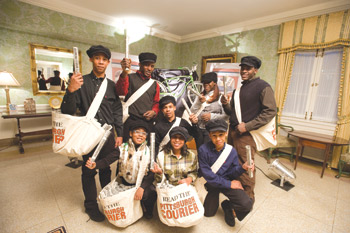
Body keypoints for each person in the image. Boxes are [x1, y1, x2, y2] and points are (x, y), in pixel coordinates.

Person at [61, 45, 123, 222]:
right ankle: (90, 206)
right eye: (97, 58)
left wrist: (120, 133)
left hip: (108, 134)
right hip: (89, 134)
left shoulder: (111, 85)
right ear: (91, 60)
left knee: (105, 168)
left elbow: (117, 111)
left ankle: (106, 199)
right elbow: (67, 111)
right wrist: (71, 90)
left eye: (104, 59)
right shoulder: (81, 81)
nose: (101, 62)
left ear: (108, 62)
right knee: (88, 170)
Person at [221, 55, 277, 202]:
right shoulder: (238, 90)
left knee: (246, 167)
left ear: (255, 70)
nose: (244, 71)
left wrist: (247, 126)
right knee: (233, 162)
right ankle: (236, 190)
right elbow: (231, 112)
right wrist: (225, 104)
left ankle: (247, 199)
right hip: (233, 132)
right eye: (242, 68)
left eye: (248, 68)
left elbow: (270, 111)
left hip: (246, 135)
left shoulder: (263, 87)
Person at [198, 119, 254, 227]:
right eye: (214, 135)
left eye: (221, 135)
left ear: (226, 133)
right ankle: (217, 200)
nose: (218, 139)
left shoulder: (231, 151)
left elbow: (232, 173)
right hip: (211, 183)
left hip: (225, 181)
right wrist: (229, 184)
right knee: (208, 213)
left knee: (247, 204)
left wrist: (242, 168)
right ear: (209, 135)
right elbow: (208, 176)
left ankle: (228, 206)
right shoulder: (203, 150)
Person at [115, 52, 160, 142]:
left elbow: (156, 102)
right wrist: (124, 73)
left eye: (152, 66)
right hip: (130, 121)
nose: (149, 69)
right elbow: (121, 92)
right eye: (146, 65)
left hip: (147, 123)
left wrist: (154, 112)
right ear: (140, 65)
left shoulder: (155, 84)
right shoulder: (129, 77)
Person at [117, 121, 157, 219]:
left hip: (141, 183)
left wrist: (142, 187)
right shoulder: (123, 148)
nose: (140, 135)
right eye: (137, 132)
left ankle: (148, 211)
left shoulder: (149, 151)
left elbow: (152, 173)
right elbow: (109, 159)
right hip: (125, 182)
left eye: (143, 133)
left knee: (151, 192)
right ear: (130, 133)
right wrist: (96, 164)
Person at [190, 72, 228, 144]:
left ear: (214, 83)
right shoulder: (201, 95)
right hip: (199, 130)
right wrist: (199, 102)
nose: (206, 85)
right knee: (200, 151)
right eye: (204, 83)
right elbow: (192, 111)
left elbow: (226, 116)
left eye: (208, 82)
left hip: (213, 131)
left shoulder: (221, 97)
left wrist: (212, 116)